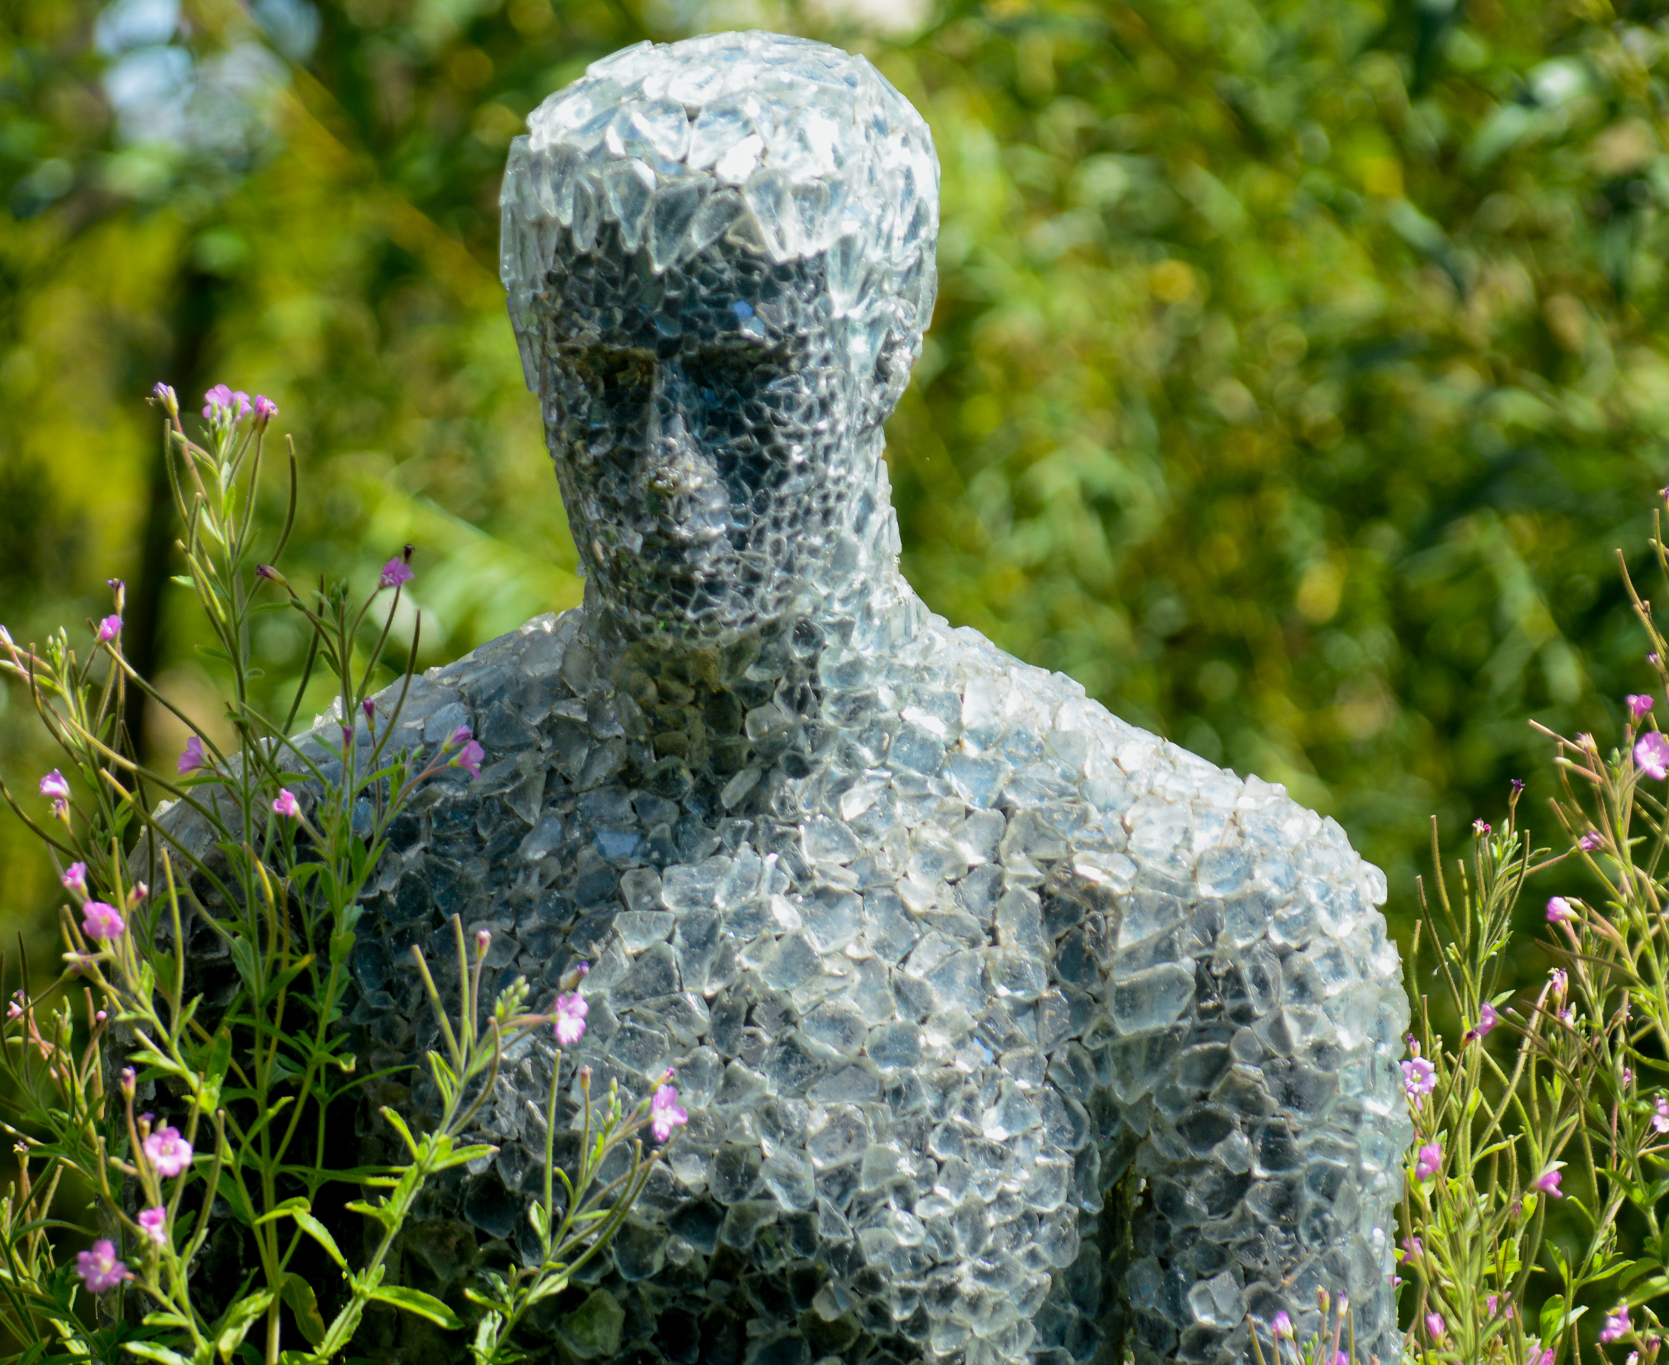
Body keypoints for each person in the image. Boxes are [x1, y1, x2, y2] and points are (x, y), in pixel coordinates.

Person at [334, 31, 1408, 1365]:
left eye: (738, 379)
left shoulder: (1213, 914)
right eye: (605, 377)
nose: (666, 466)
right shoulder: (333, 857)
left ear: (891, 334)